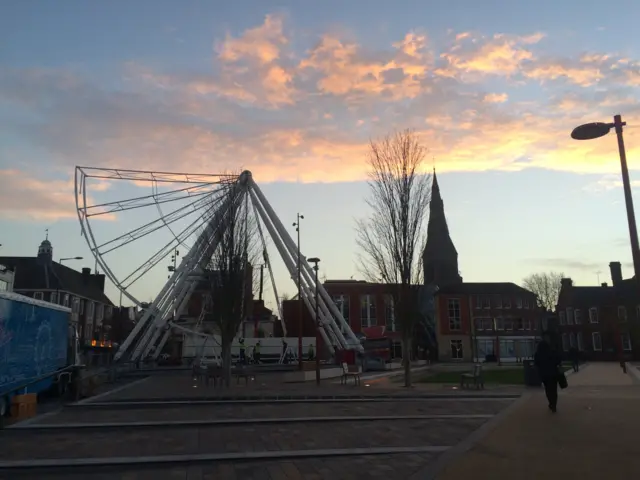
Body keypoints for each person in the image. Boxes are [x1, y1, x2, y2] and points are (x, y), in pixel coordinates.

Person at [534, 334, 562, 413]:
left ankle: (551, 402)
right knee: (554, 390)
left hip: (544, 375)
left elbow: (536, 363)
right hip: (554, 374)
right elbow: (558, 360)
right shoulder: (552, 352)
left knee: (548, 389)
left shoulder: (538, 354)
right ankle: (554, 405)